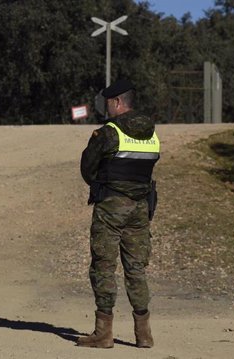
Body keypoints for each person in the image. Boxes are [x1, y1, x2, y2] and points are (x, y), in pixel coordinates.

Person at [78, 79, 160, 349]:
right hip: (140, 208)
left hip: (111, 207)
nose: (107, 108)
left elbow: (88, 169)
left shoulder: (109, 133)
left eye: (108, 103)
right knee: (136, 268)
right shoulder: (152, 133)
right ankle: (144, 334)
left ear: (117, 102)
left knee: (103, 266)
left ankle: (103, 333)